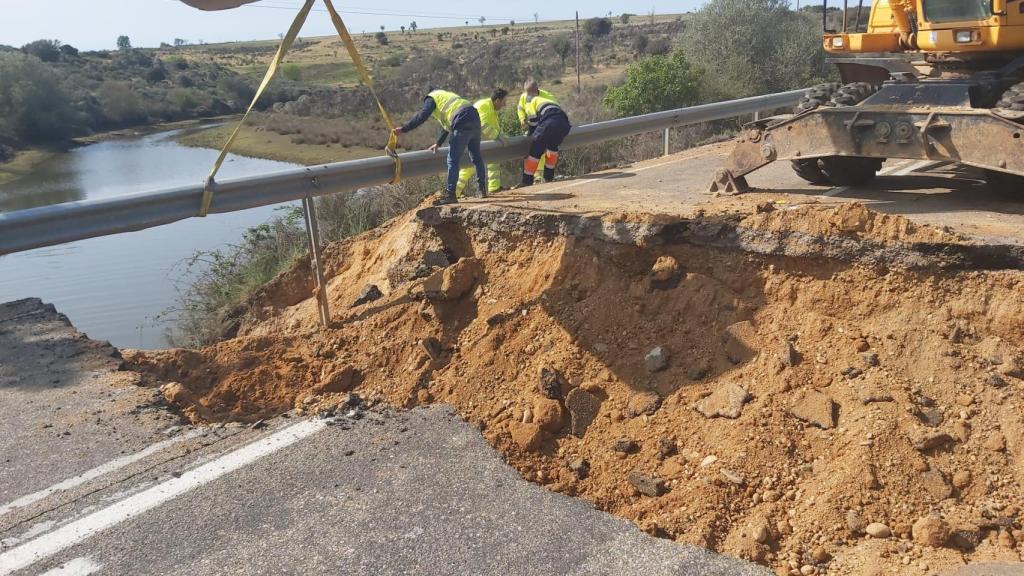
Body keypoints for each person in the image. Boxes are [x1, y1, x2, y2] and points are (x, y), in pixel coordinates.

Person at [392, 87, 487, 205]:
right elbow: (447, 126)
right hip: (474, 117)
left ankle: (451, 195)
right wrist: (438, 143)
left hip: (461, 121)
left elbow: (422, 116)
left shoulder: (432, 98)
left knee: (452, 160)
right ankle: (482, 190)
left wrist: (404, 129)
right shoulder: (447, 96)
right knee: (476, 157)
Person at [517, 79, 571, 186]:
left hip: (549, 121)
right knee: (552, 147)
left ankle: (527, 181)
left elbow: (533, 123)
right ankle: (548, 177)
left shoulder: (532, 101)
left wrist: (532, 134)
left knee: (535, 150)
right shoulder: (548, 97)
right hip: (564, 122)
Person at [456, 88, 508, 197]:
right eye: (504, 102)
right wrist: (498, 136)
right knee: (468, 168)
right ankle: (454, 193)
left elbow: (494, 126)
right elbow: (483, 125)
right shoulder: (484, 106)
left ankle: (494, 188)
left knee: (493, 160)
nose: (505, 105)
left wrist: (501, 135)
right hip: (473, 141)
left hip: (482, 141)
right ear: (497, 100)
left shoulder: (490, 107)